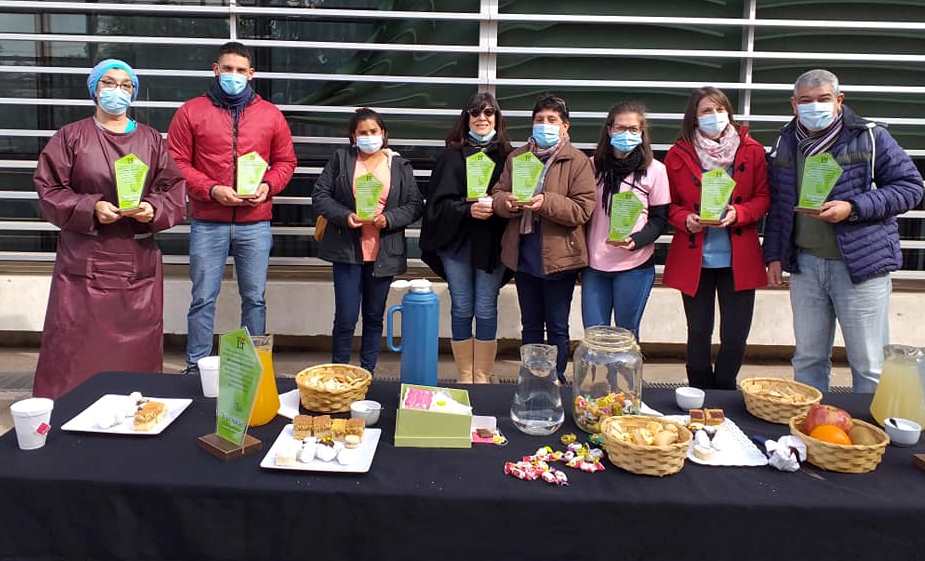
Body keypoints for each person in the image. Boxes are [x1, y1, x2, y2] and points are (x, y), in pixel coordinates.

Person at [32, 59, 186, 398]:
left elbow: (173, 189)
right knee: (75, 345)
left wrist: (153, 208)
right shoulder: (71, 137)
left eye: (126, 85)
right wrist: (90, 207)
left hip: (135, 261)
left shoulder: (151, 140)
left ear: (134, 93)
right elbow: (49, 190)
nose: (117, 90)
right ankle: (69, 408)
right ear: (94, 89)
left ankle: (136, 409)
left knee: (135, 358)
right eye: (109, 83)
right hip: (83, 263)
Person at [764, 69, 923, 393]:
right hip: (806, 267)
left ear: (839, 100)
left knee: (869, 364)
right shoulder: (785, 142)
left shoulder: (870, 137)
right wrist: (774, 256)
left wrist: (853, 207)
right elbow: (779, 203)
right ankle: (813, 422)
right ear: (794, 104)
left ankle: (870, 425)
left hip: (860, 268)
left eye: (823, 99)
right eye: (806, 100)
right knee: (808, 359)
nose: (815, 106)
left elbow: (911, 187)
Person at [168, 41, 297, 374]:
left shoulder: (270, 114)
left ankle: (251, 367)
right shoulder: (191, 112)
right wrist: (211, 189)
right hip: (208, 220)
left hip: (255, 222)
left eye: (241, 70)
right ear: (216, 70)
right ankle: (196, 366)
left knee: (254, 298)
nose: (234, 75)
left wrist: (269, 186)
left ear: (251, 74)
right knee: (203, 298)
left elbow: (286, 161)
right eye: (228, 69)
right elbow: (177, 162)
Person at [663, 87, 770, 390]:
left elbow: (763, 197)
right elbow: (667, 204)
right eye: (706, 111)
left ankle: (725, 389)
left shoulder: (752, 150)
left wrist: (740, 212)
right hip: (696, 256)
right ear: (694, 117)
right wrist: (685, 219)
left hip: (738, 257)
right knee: (698, 331)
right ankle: (698, 390)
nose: (714, 116)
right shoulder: (677, 154)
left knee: (735, 334)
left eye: (720, 109)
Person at [491, 95, 596, 382]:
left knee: (557, 326)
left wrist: (545, 202)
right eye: (539, 120)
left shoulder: (577, 161)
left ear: (565, 126)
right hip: (525, 255)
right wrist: (507, 203)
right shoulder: (517, 157)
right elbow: (498, 193)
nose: (545, 125)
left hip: (560, 258)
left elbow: (583, 209)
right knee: (531, 325)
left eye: (552, 120)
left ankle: (555, 378)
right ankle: (532, 377)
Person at [313, 108, 424, 373]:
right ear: (353, 136)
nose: (369, 136)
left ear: (383, 133)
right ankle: (339, 372)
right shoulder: (341, 159)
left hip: (383, 253)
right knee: (346, 317)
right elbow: (320, 196)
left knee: (374, 317)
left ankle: (367, 372)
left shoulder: (399, 165)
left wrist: (389, 218)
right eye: (362, 132)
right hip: (347, 250)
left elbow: (414, 205)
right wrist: (344, 215)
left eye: (374, 131)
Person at [420, 92, 513, 383]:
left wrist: (499, 205)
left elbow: (517, 197)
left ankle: (482, 374)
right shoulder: (450, 156)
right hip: (456, 244)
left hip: (492, 244)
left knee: (485, 305)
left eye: (488, 113)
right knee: (461, 304)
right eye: (475, 113)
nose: (481, 118)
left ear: (497, 118)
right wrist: (467, 209)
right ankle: (464, 374)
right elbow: (436, 205)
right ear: (466, 118)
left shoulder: (509, 156)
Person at [582, 101, 670, 339]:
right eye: (621, 128)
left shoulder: (655, 170)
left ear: (642, 133)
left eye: (633, 129)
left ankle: (628, 368)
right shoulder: (591, 166)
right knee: (594, 336)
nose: (626, 134)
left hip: (634, 266)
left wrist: (637, 240)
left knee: (626, 337)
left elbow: (660, 219)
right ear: (609, 130)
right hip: (595, 265)